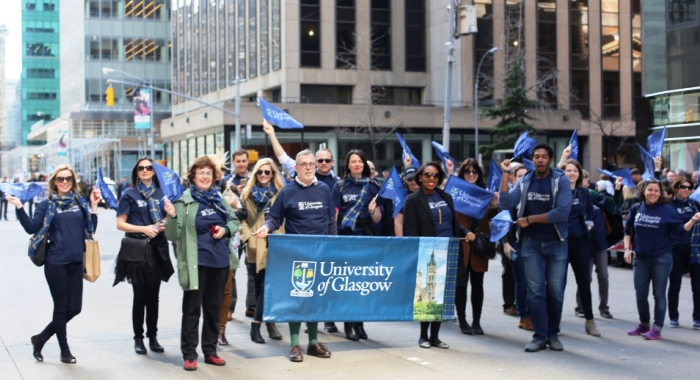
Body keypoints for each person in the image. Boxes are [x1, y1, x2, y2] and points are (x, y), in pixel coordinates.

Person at [10, 165, 100, 364]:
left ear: (73, 181)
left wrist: (94, 207)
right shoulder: (46, 205)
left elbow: (90, 230)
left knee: (75, 308)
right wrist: (18, 206)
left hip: (77, 262)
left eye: (68, 178)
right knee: (61, 308)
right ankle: (64, 350)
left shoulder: (79, 201)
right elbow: (31, 228)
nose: (65, 182)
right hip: (56, 262)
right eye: (60, 179)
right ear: (54, 182)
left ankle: (41, 338)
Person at [254, 149, 336, 363]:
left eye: (311, 163)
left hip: (321, 255)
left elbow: (330, 221)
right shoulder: (288, 192)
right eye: (304, 164)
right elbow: (274, 218)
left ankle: (313, 342)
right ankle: (294, 343)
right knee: (298, 299)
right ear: (296, 168)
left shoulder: (325, 189)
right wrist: (266, 228)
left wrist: (335, 245)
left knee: (315, 300)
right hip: (297, 256)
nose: (308, 167)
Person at [164, 155, 240, 371]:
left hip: (219, 262)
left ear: (214, 177)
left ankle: (210, 350)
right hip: (195, 263)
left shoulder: (218, 199)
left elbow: (233, 220)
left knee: (214, 310)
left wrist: (225, 230)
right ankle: (189, 354)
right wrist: (171, 216)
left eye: (208, 173)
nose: (205, 177)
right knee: (191, 310)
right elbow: (171, 235)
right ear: (193, 176)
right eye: (201, 173)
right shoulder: (184, 201)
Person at [498, 143, 573, 352]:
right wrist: (505, 174)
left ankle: (553, 335)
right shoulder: (525, 182)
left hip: (556, 244)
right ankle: (539, 336)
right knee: (536, 292)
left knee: (555, 292)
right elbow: (504, 204)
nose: (540, 159)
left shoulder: (560, 180)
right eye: (537, 156)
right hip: (530, 245)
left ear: (550, 159)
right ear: (533, 160)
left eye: (544, 156)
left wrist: (530, 219)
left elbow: (561, 213)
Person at [624, 180, 699, 340]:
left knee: (659, 294)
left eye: (656, 191)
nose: (653, 193)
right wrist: (626, 249)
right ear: (644, 191)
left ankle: (657, 328)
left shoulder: (667, 209)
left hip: (661, 258)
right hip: (641, 258)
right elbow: (628, 229)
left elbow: (680, 230)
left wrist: (692, 220)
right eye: (650, 190)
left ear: (660, 193)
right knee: (640, 294)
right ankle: (644, 324)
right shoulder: (637, 207)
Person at [114, 158, 175, 355]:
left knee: (154, 296)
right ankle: (138, 338)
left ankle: (153, 337)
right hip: (138, 248)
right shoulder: (129, 194)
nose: (145, 170)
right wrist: (144, 228)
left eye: (149, 167)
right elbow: (120, 223)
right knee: (140, 296)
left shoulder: (162, 192)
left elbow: (170, 217)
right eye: (141, 168)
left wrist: (166, 221)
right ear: (136, 172)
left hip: (158, 247)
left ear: (154, 171)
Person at [403, 161, 465, 349]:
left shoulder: (446, 196)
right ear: (420, 177)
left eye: (435, 175)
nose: (431, 179)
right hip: (427, 253)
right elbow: (410, 231)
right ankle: (423, 336)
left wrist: (465, 232)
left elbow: (454, 223)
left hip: (449, 251)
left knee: (443, 295)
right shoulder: (413, 200)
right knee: (427, 294)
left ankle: (435, 336)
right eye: (428, 175)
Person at [332, 150, 382, 340]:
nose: (357, 164)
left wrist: (371, 212)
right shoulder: (340, 187)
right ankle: (348, 324)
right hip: (345, 239)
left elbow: (378, 217)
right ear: (348, 165)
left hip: (365, 239)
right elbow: (335, 214)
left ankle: (360, 323)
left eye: (360, 161)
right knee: (347, 284)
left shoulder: (373, 187)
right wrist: (333, 237)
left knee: (362, 284)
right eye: (353, 161)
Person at [239, 158, 284, 343]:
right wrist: (248, 238)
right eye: (260, 172)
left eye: (268, 172)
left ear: (273, 174)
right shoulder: (246, 195)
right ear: (255, 174)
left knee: (268, 286)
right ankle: (265, 322)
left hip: (275, 243)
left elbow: (285, 217)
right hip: (254, 244)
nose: (264, 175)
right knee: (259, 287)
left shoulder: (281, 193)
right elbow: (241, 220)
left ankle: (260, 324)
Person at [453, 159, 499, 336]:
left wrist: (494, 204)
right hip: (462, 243)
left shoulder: (484, 194)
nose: (471, 174)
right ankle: (463, 321)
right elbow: (452, 219)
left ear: (479, 174)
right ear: (462, 174)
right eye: (467, 172)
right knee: (461, 286)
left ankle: (477, 321)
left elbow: (494, 218)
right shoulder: (455, 192)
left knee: (478, 285)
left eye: (474, 172)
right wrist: (465, 232)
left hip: (480, 244)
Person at [560, 159, 601, 337]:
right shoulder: (557, 192)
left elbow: (590, 212)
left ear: (579, 174)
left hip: (580, 242)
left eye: (575, 171)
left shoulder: (584, 192)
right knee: (558, 284)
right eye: (568, 170)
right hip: (560, 243)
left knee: (584, 282)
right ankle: (555, 322)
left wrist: (589, 225)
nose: (571, 174)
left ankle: (590, 321)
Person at [502, 164, 533, 331]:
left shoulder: (532, 195)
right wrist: (505, 244)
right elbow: (503, 221)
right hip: (514, 245)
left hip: (532, 244)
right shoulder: (511, 197)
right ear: (513, 178)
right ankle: (524, 316)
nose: (523, 178)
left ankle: (533, 314)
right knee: (522, 281)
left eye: (526, 175)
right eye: (519, 175)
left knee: (533, 282)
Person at [667, 176, 700, 329]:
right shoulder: (669, 205)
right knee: (675, 284)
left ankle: (697, 318)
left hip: (694, 249)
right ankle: (674, 316)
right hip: (676, 247)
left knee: (697, 286)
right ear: (676, 188)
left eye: (689, 187)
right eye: (683, 186)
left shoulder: (695, 204)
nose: (686, 189)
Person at [218, 180, 247, 346]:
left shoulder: (235, 197)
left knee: (227, 288)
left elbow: (244, 214)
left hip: (232, 245)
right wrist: (226, 204)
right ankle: (212, 326)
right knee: (212, 291)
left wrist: (232, 206)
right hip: (212, 245)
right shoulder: (212, 192)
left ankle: (221, 329)